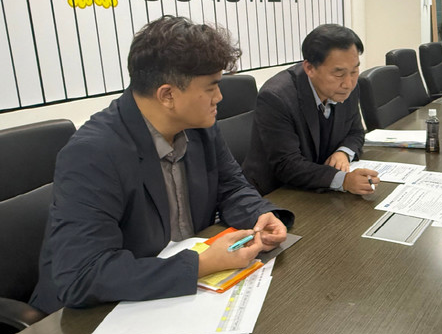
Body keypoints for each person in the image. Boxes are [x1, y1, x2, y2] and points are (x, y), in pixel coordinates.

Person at [30, 16, 293, 314]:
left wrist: (260, 215)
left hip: (176, 294)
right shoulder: (93, 153)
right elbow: (82, 274)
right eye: (211, 88)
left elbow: (232, 186)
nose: (219, 97)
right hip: (94, 314)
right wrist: (202, 264)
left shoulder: (199, 127)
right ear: (167, 95)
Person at [242, 24, 378, 195]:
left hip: (321, 188)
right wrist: (343, 180)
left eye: (354, 70)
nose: (348, 83)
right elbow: (287, 164)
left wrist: (343, 153)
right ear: (309, 68)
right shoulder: (276, 97)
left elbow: (356, 132)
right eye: (339, 74)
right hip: (278, 192)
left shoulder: (347, 87)